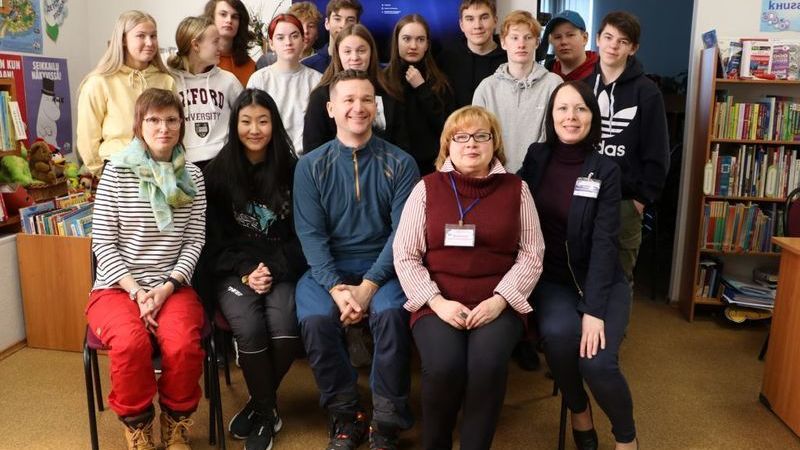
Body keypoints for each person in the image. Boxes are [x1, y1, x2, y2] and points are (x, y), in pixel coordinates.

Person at [393, 105, 544, 450]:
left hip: (498, 302)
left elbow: (532, 254)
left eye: (480, 136)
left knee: (486, 366)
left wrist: (500, 301)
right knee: (443, 367)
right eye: (460, 137)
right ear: (447, 145)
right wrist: (437, 302)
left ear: (495, 143)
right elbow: (405, 254)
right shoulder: (426, 188)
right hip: (438, 301)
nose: (471, 144)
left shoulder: (517, 189)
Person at [293, 70, 419, 450]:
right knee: (315, 319)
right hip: (327, 268)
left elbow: (403, 234)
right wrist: (336, 288)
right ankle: (345, 412)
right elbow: (311, 236)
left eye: (366, 99)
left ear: (375, 106)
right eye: (348, 100)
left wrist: (368, 287)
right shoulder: (309, 166)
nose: (358, 108)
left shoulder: (401, 163)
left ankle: (387, 419)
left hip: (387, 265)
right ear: (331, 108)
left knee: (392, 313)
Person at [518, 81, 638, 450]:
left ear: (592, 117)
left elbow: (605, 244)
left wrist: (593, 310)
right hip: (553, 280)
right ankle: (579, 409)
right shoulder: (537, 157)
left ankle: (626, 438)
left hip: (601, 280)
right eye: (562, 108)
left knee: (597, 363)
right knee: (558, 339)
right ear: (551, 116)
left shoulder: (606, 170)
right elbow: (511, 198)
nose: (571, 117)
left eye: (580, 109)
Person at [86, 87, 206, 450]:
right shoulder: (115, 173)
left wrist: (166, 288)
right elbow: (103, 244)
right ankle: (138, 427)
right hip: (117, 287)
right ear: (139, 125)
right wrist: (138, 292)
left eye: (171, 120)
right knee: (130, 343)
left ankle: (176, 423)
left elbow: (194, 241)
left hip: (172, 285)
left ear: (182, 124)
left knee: (183, 345)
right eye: (153, 120)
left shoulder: (194, 177)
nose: (163, 128)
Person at [196, 89, 306, 450]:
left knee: (286, 331)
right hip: (234, 270)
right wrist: (246, 271)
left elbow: (304, 235)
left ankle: (260, 407)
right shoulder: (217, 173)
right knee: (250, 328)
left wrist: (270, 268)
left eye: (262, 121)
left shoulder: (293, 171)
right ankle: (266, 411)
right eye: (246, 121)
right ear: (234, 125)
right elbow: (213, 242)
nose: (254, 129)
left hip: (282, 267)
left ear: (274, 124)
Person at [586, 11, 669, 283]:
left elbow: (658, 152)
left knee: (619, 279)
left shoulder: (647, 92)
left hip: (624, 202)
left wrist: (641, 200)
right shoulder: (582, 88)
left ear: (633, 48)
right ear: (597, 39)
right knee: (579, 272)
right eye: (608, 37)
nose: (613, 46)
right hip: (583, 196)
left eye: (622, 41)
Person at [77, 10, 176, 177]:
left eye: (153, 36)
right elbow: (87, 135)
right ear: (123, 39)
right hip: (117, 168)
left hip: (161, 170)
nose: (149, 42)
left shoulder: (167, 81)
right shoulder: (99, 82)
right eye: (141, 36)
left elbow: (176, 128)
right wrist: (100, 172)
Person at [473, 10, 562, 173]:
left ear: (537, 42)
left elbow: (556, 138)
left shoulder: (554, 84)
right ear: (503, 42)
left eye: (528, 37)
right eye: (514, 38)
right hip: (496, 176)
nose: (521, 44)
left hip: (541, 175)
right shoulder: (486, 88)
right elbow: (478, 138)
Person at [303, 24, 407, 154]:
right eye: (347, 51)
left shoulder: (389, 92)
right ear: (338, 54)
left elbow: (402, 146)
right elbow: (312, 150)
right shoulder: (321, 96)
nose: (355, 57)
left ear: (371, 53)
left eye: (361, 51)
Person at [168, 16, 243, 167]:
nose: (220, 47)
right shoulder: (169, 81)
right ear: (196, 45)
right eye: (215, 41)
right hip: (180, 163)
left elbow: (245, 117)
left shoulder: (228, 80)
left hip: (222, 163)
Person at [384, 14, 454, 175]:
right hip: (391, 166)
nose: (413, 46)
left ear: (427, 44)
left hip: (431, 167)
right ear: (397, 41)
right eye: (406, 39)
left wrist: (422, 88)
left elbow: (447, 126)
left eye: (420, 40)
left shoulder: (441, 82)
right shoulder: (382, 80)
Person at [248, 14, 322, 155]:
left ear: (303, 40)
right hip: (270, 157)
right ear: (271, 44)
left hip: (307, 158)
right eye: (280, 38)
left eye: (294, 36)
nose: (288, 42)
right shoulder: (259, 79)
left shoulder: (317, 80)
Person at [436, 0, 506, 109]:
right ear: (461, 25)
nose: (477, 26)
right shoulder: (446, 58)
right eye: (470, 19)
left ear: (495, 21)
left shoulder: (510, 58)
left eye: (484, 18)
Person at [203, 0, 256, 86]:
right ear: (211, 18)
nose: (229, 20)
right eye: (223, 14)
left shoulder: (250, 66)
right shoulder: (198, 60)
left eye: (235, 17)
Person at [257, 2, 323, 69]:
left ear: (317, 33)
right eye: (300, 25)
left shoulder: (323, 61)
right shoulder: (267, 61)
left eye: (311, 26)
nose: (305, 31)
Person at [302, 0, 362, 73]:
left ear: (357, 25)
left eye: (350, 20)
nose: (343, 25)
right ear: (327, 23)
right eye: (337, 19)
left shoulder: (365, 63)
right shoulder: (307, 66)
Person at [543, 10, 598, 82]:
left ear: (585, 38)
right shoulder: (546, 74)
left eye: (570, 35)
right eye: (557, 37)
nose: (563, 42)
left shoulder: (602, 72)